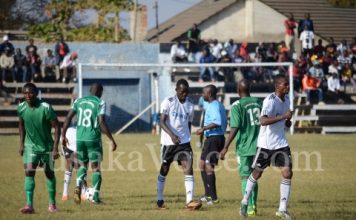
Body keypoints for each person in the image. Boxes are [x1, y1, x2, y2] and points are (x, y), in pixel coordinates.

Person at [239, 74, 293, 219]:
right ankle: (244, 201)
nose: (288, 87)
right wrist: (283, 117)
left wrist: (288, 120)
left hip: (281, 143)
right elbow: (262, 121)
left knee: (287, 173)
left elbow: (285, 123)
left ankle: (282, 209)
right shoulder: (269, 101)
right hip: (266, 145)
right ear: (277, 86)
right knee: (257, 174)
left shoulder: (287, 99)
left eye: (288, 84)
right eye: (285, 85)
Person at [61, 83, 117, 204]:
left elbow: (68, 118)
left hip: (79, 138)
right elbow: (101, 122)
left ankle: (78, 187)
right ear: (100, 92)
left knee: (82, 165)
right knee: (96, 168)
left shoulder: (78, 101)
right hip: (93, 139)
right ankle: (95, 197)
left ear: (90, 90)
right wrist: (111, 139)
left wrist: (63, 135)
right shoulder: (100, 103)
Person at [156, 79, 202, 210]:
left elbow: (188, 123)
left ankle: (189, 202)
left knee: (188, 168)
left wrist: (184, 137)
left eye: (187, 92)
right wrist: (172, 135)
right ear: (176, 90)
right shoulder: (168, 102)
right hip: (168, 143)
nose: (185, 94)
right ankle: (159, 200)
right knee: (164, 170)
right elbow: (162, 122)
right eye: (182, 92)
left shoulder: (190, 105)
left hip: (184, 143)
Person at [220, 79, 262, 217]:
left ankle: (248, 206)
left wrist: (225, 147)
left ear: (238, 90)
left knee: (245, 177)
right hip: (260, 146)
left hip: (244, 147)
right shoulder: (258, 101)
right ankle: (253, 205)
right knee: (254, 176)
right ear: (249, 89)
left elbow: (235, 127)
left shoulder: (237, 105)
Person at [17, 83, 60, 214]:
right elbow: (21, 125)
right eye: (25, 93)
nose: (27, 95)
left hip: (46, 147)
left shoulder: (45, 107)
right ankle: (29, 205)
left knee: (49, 174)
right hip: (30, 147)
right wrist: (21, 144)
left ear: (36, 94)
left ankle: (52, 204)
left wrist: (55, 147)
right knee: (29, 172)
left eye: (30, 93)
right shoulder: (21, 107)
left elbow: (57, 127)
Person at [195, 85, 227, 206]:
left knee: (208, 166)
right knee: (202, 164)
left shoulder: (213, 105)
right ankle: (207, 194)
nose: (202, 95)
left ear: (208, 94)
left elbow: (217, 122)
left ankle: (213, 198)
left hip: (214, 138)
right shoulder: (217, 104)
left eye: (203, 93)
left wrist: (203, 129)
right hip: (212, 138)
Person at [61, 121, 88, 201]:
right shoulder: (86, 136)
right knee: (79, 166)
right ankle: (83, 192)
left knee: (72, 165)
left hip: (67, 138)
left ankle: (65, 195)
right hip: (68, 140)